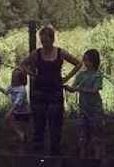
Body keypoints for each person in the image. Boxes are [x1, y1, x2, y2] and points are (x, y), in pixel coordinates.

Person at [18, 26, 81, 155]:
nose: (44, 44)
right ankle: (38, 152)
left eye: (46, 41)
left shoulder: (60, 53)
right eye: (42, 41)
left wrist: (67, 78)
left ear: (52, 39)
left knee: (55, 123)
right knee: (39, 123)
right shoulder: (37, 53)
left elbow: (78, 63)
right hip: (39, 92)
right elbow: (22, 64)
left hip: (55, 91)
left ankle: (55, 151)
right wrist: (33, 75)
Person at [64, 49, 105, 158]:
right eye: (84, 60)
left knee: (96, 132)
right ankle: (82, 156)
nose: (85, 63)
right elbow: (73, 88)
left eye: (87, 60)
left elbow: (94, 90)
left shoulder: (98, 75)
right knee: (82, 132)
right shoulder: (81, 75)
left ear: (94, 61)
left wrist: (79, 89)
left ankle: (97, 156)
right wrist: (67, 87)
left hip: (95, 109)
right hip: (83, 108)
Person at [4, 67, 30, 143]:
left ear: (20, 79)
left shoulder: (22, 89)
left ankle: (23, 139)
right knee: (14, 124)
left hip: (24, 112)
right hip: (16, 111)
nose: (13, 79)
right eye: (13, 77)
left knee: (23, 129)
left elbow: (17, 103)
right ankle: (20, 136)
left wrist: (10, 112)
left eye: (15, 77)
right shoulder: (11, 86)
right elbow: (6, 93)